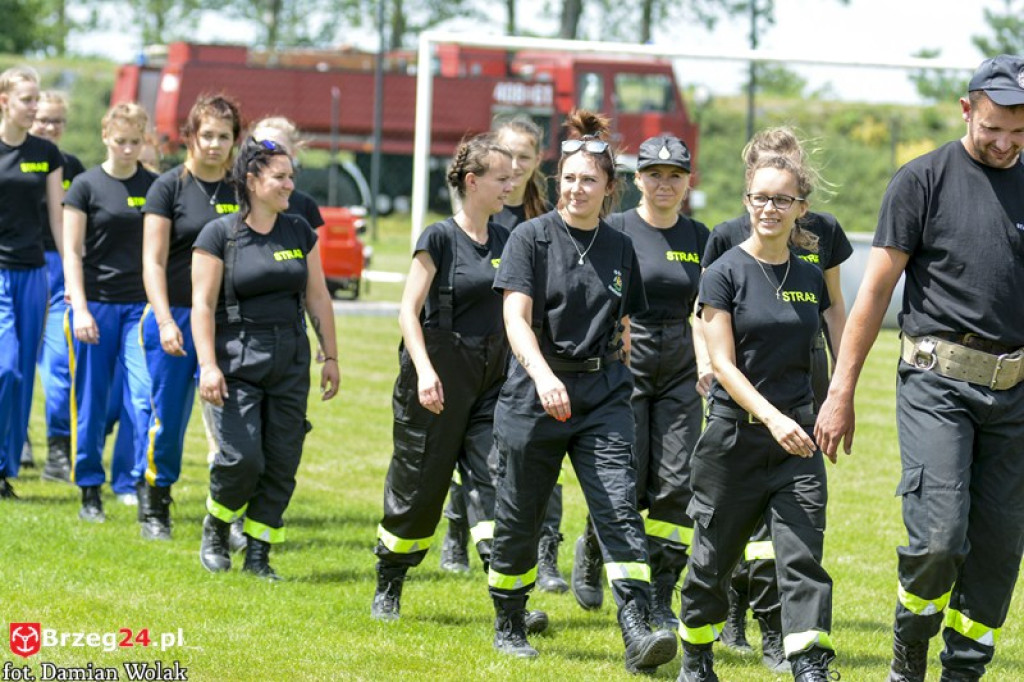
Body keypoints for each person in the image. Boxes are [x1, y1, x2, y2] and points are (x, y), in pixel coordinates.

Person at [816, 55, 1024, 682]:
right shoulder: (922, 180)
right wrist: (841, 390)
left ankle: (963, 670)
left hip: (1014, 397)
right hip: (938, 384)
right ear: (967, 110)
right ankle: (910, 652)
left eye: (1019, 134)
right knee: (939, 539)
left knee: (996, 552)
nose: (1006, 144)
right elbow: (876, 292)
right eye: (994, 129)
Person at [486, 109, 677, 674]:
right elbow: (515, 318)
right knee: (521, 513)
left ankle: (637, 629)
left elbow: (625, 321)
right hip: (534, 392)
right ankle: (510, 621)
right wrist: (544, 376)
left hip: (603, 395)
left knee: (619, 506)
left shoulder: (620, 248)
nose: (576, 188)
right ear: (556, 182)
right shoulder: (530, 238)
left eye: (588, 180)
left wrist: (616, 372)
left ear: (608, 189)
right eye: (568, 178)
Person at [677, 153, 837, 682]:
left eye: (782, 199)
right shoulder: (724, 272)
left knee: (801, 558)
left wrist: (836, 400)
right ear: (747, 201)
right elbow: (722, 362)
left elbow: (826, 338)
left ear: (800, 209)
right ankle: (697, 656)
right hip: (734, 439)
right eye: (761, 197)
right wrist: (770, 418)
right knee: (710, 562)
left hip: (798, 441)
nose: (770, 208)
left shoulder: (809, 273)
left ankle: (808, 664)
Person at [371, 133, 516, 620]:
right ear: (472, 182)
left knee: (497, 477)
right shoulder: (437, 237)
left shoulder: (509, 239)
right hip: (436, 377)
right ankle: (389, 582)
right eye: (501, 177)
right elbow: (408, 313)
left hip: (491, 379)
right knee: (419, 485)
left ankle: (506, 603)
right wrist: (427, 373)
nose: (510, 184)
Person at [570, 134, 708, 629]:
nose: (664, 184)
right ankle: (591, 544)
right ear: (637, 181)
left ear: (688, 182)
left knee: (675, 486)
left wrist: (709, 363)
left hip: (682, 365)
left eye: (674, 176)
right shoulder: (619, 228)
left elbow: (707, 308)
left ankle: (661, 594)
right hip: (628, 355)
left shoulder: (699, 237)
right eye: (654, 175)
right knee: (623, 478)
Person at [193, 136, 339, 580]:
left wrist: (330, 355)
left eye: (291, 176)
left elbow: (318, 295)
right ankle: (217, 525)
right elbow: (201, 304)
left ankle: (260, 551)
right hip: (237, 358)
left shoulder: (298, 231)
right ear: (252, 180)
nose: (290, 185)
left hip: (290, 356)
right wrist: (208, 365)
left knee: (281, 460)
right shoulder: (220, 234)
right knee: (242, 458)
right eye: (280, 176)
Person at [438, 115, 570, 594]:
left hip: (531, 355)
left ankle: (546, 553)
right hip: (481, 354)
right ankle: (456, 530)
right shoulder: (481, 214)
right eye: (507, 156)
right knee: (475, 453)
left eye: (525, 157)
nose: (514, 167)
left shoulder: (544, 218)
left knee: (540, 456)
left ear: (538, 162)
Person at [140, 94, 240, 538]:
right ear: (190, 137)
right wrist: (163, 320)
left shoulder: (243, 189)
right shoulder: (168, 188)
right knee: (170, 420)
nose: (215, 145)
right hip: (176, 317)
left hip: (229, 321)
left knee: (234, 423)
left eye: (224, 136)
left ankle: (229, 512)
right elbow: (153, 262)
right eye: (207, 135)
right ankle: (156, 501)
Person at [63, 102, 157, 523]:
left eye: (135, 142)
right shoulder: (84, 186)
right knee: (93, 401)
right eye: (120, 141)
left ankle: (132, 480)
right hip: (95, 306)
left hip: (141, 307)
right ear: (105, 136)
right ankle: (88, 488)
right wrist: (80, 308)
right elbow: (71, 252)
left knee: (142, 398)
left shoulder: (156, 186)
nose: (127, 149)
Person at [0, 66, 64, 499]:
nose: (35, 107)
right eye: (26, 99)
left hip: (35, 273)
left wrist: (72, 280)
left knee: (22, 378)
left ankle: (4, 469)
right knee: (6, 366)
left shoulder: (46, 154)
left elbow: (59, 221)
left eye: (37, 99)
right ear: (3, 100)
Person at [30, 90, 85, 482]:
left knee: (59, 367)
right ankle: (14, 441)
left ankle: (58, 450)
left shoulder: (73, 167)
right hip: (15, 270)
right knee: (9, 367)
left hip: (59, 272)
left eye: (57, 121)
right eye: (43, 119)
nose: (50, 127)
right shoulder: (10, 156)